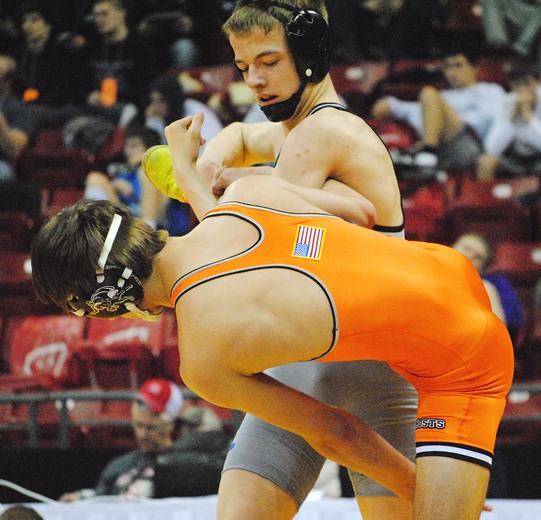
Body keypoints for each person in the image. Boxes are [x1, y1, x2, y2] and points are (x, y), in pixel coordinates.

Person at [31, 112, 514, 520]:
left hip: (463, 362)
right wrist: (196, 179)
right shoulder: (246, 194)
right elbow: (364, 211)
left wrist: (426, 494)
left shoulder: (202, 358)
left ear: (104, 299)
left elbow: (337, 432)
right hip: (452, 270)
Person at [179, 2, 418, 519]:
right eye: (244, 68)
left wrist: (187, 172)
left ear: (309, 55)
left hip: (368, 370)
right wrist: (213, 158)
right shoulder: (297, 128)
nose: (254, 81)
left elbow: (233, 243)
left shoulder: (322, 133)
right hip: (301, 363)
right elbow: (242, 136)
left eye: (268, 62)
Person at [371, 50, 506, 171]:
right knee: (427, 97)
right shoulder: (443, 96)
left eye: (458, 66)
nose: (452, 72)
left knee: (429, 94)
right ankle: (424, 154)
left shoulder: (490, 90)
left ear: (474, 68)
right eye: (448, 67)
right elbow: (412, 110)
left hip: (471, 145)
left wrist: (448, 116)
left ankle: (427, 152)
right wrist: (390, 104)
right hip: (443, 147)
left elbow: (497, 120)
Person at [59, 378, 185, 501]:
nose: (143, 435)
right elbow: (101, 498)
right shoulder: (119, 466)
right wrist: (81, 500)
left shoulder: (185, 466)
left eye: (151, 428)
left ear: (171, 424)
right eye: (138, 425)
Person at [140, 72, 223, 237]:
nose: (156, 106)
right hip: (172, 171)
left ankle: (147, 231)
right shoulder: (156, 117)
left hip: (202, 170)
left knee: (148, 178)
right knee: (145, 172)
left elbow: (214, 153)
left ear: (172, 99)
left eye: (160, 101)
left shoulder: (196, 112)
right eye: (153, 101)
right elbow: (151, 154)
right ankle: (150, 228)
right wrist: (150, 123)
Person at [84, 124, 162, 228]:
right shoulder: (125, 174)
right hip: (129, 222)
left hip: (157, 221)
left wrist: (146, 161)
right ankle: (105, 231)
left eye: (134, 146)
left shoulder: (157, 170)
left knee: (146, 174)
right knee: (95, 178)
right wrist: (114, 186)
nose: (128, 151)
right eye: (126, 146)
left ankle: (148, 232)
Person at [453, 232, 525, 344]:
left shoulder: (490, 285)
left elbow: (507, 324)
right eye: (467, 248)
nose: (470, 256)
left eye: (478, 257)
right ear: (452, 246)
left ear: (483, 266)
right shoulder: (429, 271)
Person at [477, 59, 541, 181]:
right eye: (517, 84)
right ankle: (486, 200)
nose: (523, 90)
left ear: (538, 81)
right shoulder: (507, 102)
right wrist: (513, 117)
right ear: (511, 84)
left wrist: (528, 117)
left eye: (527, 83)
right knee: (486, 161)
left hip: (538, 159)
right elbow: (492, 148)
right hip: (517, 159)